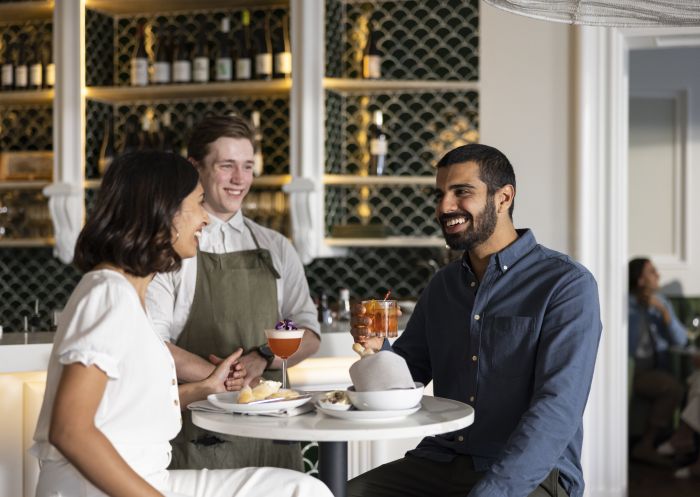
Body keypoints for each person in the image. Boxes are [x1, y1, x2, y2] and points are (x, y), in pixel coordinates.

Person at [30, 151, 332, 497]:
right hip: (99, 490)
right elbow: (69, 431)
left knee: (300, 489)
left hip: (147, 479)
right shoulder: (108, 294)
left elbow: (124, 406)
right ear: (163, 212)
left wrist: (205, 388)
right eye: (199, 203)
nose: (205, 218)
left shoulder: (127, 295)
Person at [348, 143, 602, 497]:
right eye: (440, 195)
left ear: (504, 198)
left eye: (461, 192)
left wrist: (493, 492)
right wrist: (377, 355)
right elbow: (406, 379)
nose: (444, 207)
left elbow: (557, 408)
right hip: (441, 459)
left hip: (530, 472)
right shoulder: (442, 286)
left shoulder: (566, 285)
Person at [146, 115, 320, 471]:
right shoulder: (170, 248)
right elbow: (151, 342)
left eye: (247, 167)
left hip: (272, 433)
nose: (240, 179)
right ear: (196, 167)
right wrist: (224, 378)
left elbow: (308, 330)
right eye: (227, 166)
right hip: (199, 431)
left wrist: (263, 357)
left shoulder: (275, 247)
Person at [627, 257, 689, 465]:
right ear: (640, 280)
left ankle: (654, 444)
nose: (658, 275)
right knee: (673, 388)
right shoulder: (626, 305)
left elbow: (681, 339)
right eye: (652, 272)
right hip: (631, 373)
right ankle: (646, 445)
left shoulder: (661, 302)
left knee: (676, 387)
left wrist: (663, 313)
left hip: (655, 370)